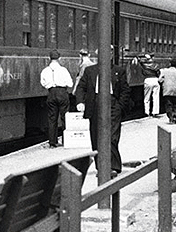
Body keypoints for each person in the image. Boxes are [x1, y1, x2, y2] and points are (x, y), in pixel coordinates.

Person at [73, 48, 131, 176]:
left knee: (112, 137)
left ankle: (113, 166)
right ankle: (101, 167)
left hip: (113, 104)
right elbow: (81, 88)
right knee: (96, 137)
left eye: (109, 53)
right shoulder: (90, 71)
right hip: (95, 105)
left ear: (111, 54)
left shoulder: (118, 71)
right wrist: (80, 102)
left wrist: (119, 106)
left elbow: (125, 90)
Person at [40, 50, 74, 147]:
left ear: (49, 58)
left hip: (51, 93)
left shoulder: (45, 70)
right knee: (64, 118)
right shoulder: (63, 70)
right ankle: (66, 140)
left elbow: (43, 83)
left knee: (52, 118)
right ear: (59, 58)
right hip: (62, 93)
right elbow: (70, 83)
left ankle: (52, 142)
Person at [159, 57, 176, 122]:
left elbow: (160, 80)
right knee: (175, 104)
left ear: (169, 64)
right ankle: (175, 115)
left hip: (167, 90)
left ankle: (170, 117)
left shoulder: (164, 71)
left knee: (168, 104)